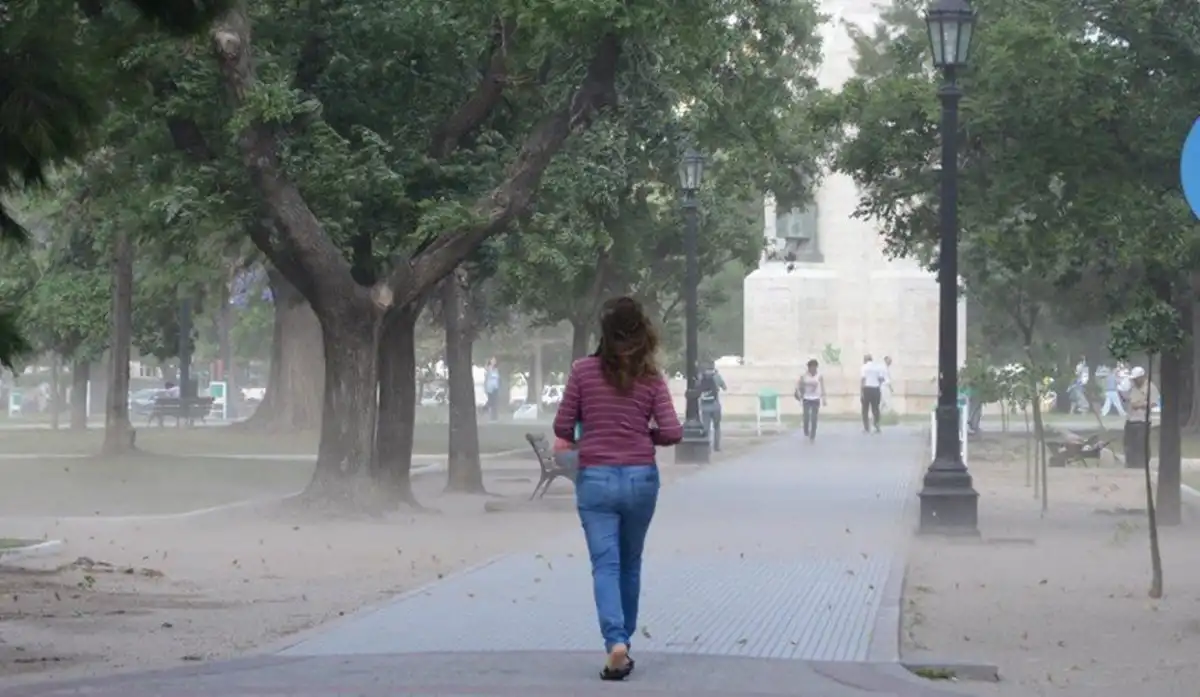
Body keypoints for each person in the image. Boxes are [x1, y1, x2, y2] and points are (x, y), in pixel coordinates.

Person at [554, 296, 682, 681]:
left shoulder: (582, 372)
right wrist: (644, 435)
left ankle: (615, 643)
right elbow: (673, 432)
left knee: (605, 565)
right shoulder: (652, 379)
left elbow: (563, 428)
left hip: (596, 479)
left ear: (604, 334)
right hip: (641, 478)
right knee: (631, 563)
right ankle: (624, 637)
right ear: (643, 334)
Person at [1122, 366, 1157, 469]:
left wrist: (1140, 405)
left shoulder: (1150, 387)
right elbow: (1128, 399)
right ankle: (1130, 463)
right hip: (1130, 419)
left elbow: (1153, 403)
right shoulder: (1132, 387)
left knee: (1141, 443)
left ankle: (1142, 464)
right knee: (1129, 443)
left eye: (1136, 378)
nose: (1134, 380)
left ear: (1142, 377)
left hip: (1143, 420)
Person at [697, 361, 726, 452]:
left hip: (705, 406)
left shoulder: (700, 377)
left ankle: (706, 446)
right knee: (717, 427)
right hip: (715, 405)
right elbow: (724, 387)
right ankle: (716, 447)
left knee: (706, 427)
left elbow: (696, 389)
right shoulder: (717, 376)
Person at [795, 359, 826, 441]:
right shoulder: (804, 376)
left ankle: (813, 434)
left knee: (814, 417)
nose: (813, 369)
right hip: (806, 398)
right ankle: (806, 430)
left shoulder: (819, 376)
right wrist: (799, 393)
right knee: (806, 417)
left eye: (814, 368)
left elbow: (822, 387)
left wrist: (824, 398)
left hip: (816, 398)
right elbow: (799, 386)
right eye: (811, 368)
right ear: (808, 368)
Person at [860, 353, 887, 433]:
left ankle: (866, 427)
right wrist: (877, 384)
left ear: (865, 360)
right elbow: (881, 379)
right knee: (875, 408)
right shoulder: (877, 367)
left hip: (867, 388)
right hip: (876, 389)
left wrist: (861, 392)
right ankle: (876, 425)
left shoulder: (864, 367)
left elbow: (863, 380)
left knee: (865, 409)